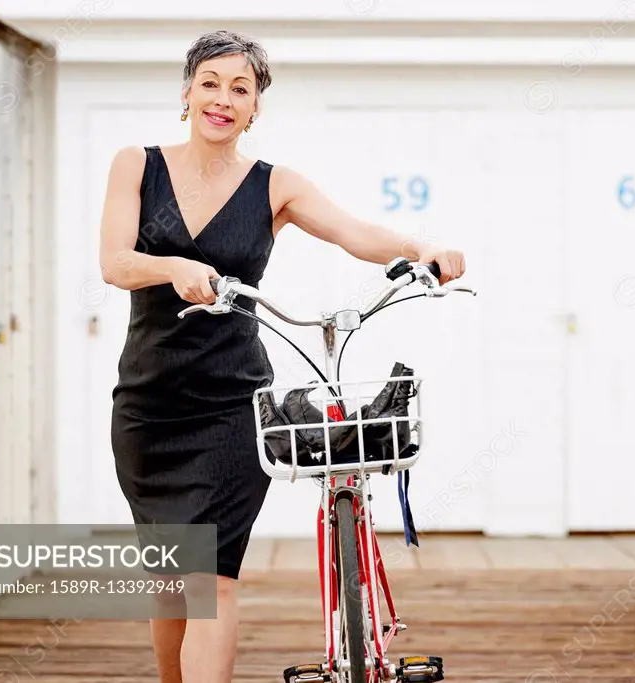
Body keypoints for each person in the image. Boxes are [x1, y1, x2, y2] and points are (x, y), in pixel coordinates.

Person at [98, 29, 466, 683]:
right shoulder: (138, 164)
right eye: (210, 82)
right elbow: (115, 262)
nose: (223, 97)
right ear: (186, 93)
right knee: (172, 582)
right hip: (150, 407)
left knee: (211, 577)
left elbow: (357, 233)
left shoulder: (275, 186)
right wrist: (173, 266)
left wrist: (423, 249)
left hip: (232, 407)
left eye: (240, 88)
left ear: (254, 108)